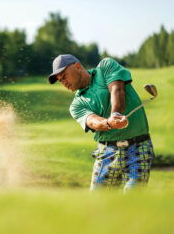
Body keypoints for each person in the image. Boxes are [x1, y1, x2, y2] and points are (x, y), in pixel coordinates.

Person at [48, 54, 154, 191]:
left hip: (138, 148)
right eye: (60, 80)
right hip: (106, 152)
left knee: (133, 199)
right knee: (97, 204)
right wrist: (109, 123)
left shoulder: (105, 66)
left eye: (64, 76)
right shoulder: (76, 105)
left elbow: (117, 89)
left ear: (77, 66)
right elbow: (92, 121)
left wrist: (115, 115)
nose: (64, 82)